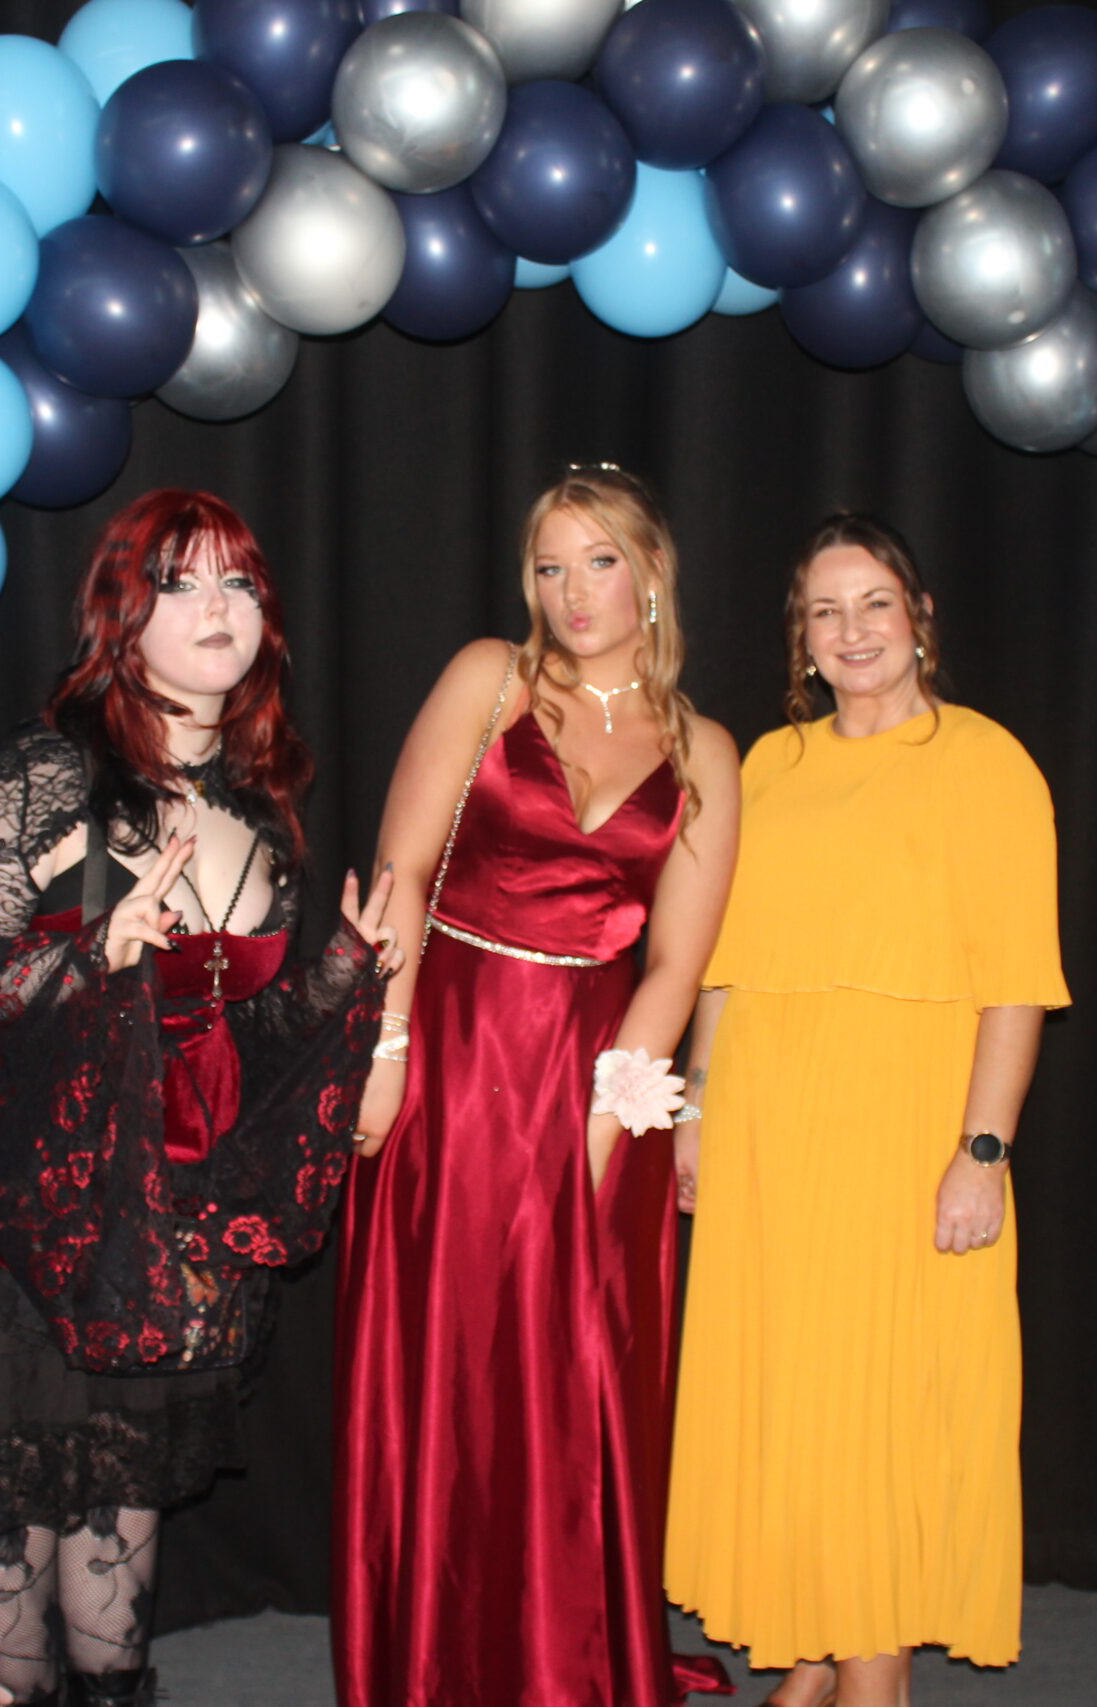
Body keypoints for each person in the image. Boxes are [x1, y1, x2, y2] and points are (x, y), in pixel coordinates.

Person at [0, 491, 400, 1707]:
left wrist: (343, 976)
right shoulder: (42, 776)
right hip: (28, 1184)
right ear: (122, 618)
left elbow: (240, 1035)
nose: (216, 609)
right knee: (4, 1467)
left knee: (115, 1469)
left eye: (238, 584)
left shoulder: (258, 815)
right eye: (179, 584)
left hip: (166, 1195)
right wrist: (93, 955)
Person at [331, 466, 743, 1707]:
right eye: (550, 567)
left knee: (572, 1376)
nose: (572, 591)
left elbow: (676, 965)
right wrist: (385, 1054)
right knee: (447, 1365)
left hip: (600, 1073)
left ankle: (563, 1658)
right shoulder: (489, 679)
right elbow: (400, 872)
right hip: (455, 1061)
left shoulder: (706, 750)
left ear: (651, 572)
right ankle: (429, 1655)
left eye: (599, 562)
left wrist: (605, 1131)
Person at [663, 515, 1070, 1707]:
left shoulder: (987, 762)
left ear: (919, 618)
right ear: (801, 636)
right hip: (767, 1127)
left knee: (885, 1401)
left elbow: (1015, 984)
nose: (851, 631)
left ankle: (871, 1672)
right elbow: (722, 962)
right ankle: (814, 1648)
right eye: (824, 611)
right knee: (792, 1397)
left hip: (903, 1128)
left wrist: (981, 1152)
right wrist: (695, 1106)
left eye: (873, 603)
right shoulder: (768, 767)